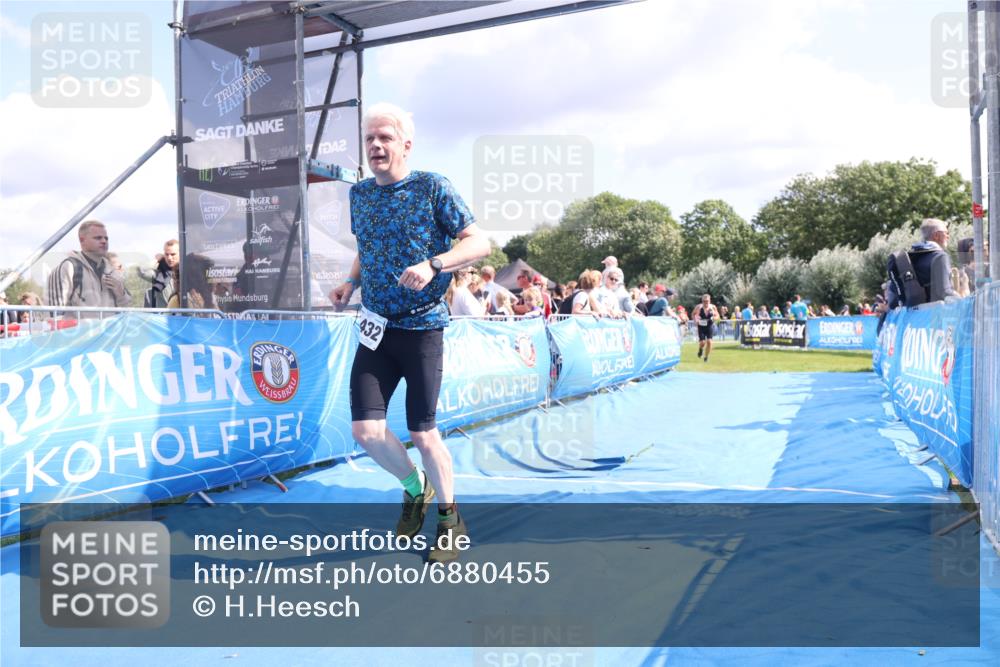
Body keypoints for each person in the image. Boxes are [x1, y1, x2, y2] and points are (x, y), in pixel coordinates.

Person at [327, 102, 489, 563]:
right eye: (370, 140)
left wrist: (434, 263)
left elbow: (480, 242)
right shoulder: (359, 194)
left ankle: (448, 518)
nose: (377, 146)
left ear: (406, 145)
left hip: (422, 329)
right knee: (366, 430)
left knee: (424, 435)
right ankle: (414, 488)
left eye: (386, 138)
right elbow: (367, 247)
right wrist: (351, 282)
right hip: (375, 327)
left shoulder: (433, 186)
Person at [47, 220, 130, 312]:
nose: (104, 241)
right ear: (82, 240)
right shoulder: (69, 267)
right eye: (98, 238)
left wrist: (121, 293)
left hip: (110, 326)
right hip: (79, 326)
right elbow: (56, 314)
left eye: (106, 238)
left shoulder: (113, 271)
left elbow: (125, 310)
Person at [887, 217, 958, 307]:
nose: (948, 236)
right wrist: (963, 301)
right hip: (934, 315)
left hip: (913, 314)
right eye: (946, 233)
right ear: (936, 235)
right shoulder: (940, 256)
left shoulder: (912, 256)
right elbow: (944, 291)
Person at [691, 293, 719, 362]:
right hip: (701, 327)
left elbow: (718, 316)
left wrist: (714, 318)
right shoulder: (698, 307)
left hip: (709, 326)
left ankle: (706, 357)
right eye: (704, 301)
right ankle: (700, 350)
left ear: (710, 301)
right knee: (702, 342)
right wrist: (695, 321)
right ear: (702, 301)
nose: (705, 303)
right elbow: (693, 314)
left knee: (709, 342)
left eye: (707, 301)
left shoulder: (713, 307)